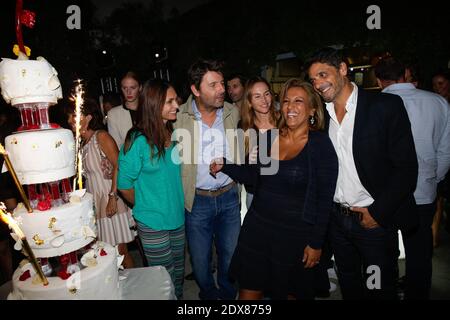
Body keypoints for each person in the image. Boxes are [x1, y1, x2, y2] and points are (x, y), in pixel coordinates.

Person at [306, 47, 419, 300]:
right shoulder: (321, 117)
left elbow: (407, 169)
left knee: (378, 288)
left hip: (373, 222)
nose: (318, 84)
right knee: (350, 286)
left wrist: (377, 214)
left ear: (343, 70)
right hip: (337, 221)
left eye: (323, 74)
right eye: (314, 80)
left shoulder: (384, 106)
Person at [211, 79, 338, 299]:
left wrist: (316, 243)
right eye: (286, 101)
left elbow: (324, 199)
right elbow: (254, 178)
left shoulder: (320, 145)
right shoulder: (270, 139)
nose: (290, 106)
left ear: (312, 109)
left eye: (299, 101)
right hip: (257, 229)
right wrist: (226, 165)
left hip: (294, 237)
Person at [375, 57, 450, 299]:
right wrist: (432, 179)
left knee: (384, 252)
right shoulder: (438, 102)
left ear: (379, 81)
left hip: (386, 193)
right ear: (403, 75)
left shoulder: (378, 104)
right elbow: (445, 151)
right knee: (419, 251)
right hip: (423, 191)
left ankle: (386, 290)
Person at [173, 59, 241, 300]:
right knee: (200, 262)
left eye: (222, 83)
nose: (222, 89)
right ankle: (210, 296)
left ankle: (228, 294)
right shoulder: (178, 116)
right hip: (197, 201)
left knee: (231, 255)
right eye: (213, 85)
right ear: (195, 90)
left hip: (230, 196)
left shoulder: (233, 112)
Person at [118, 79, 185, 299]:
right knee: (163, 279)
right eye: (170, 101)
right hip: (152, 222)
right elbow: (124, 185)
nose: (176, 105)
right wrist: (146, 204)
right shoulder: (136, 140)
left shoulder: (172, 133)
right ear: (155, 104)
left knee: (179, 274)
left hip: (178, 217)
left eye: (176, 100)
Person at [78, 98, 135, 268]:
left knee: (120, 252)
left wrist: (112, 197)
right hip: (95, 203)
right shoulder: (83, 144)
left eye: (74, 116)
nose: (69, 120)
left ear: (87, 118)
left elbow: (119, 164)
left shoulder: (100, 136)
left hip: (110, 199)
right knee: (104, 255)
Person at [239, 76, 280, 210]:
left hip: (283, 193)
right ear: (249, 102)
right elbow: (242, 167)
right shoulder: (244, 128)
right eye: (257, 96)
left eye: (266, 94)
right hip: (256, 195)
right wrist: (248, 160)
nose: (264, 100)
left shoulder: (284, 121)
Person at [431, 70, 450, 247]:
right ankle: (434, 238)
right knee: (438, 200)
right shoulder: (436, 104)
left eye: (442, 83)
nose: (439, 88)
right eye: (436, 84)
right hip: (441, 158)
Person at [107, 71, 142, 149]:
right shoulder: (113, 114)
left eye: (132, 88)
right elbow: (117, 146)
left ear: (140, 87)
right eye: (125, 88)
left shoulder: (150, 109)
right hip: (129, 159)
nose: (128, 92)